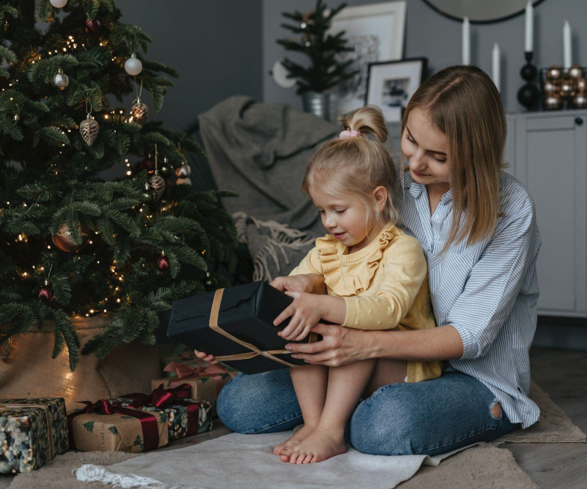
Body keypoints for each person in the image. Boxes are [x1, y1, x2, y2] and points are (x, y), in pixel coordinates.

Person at [200, 65, 542, 457]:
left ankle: (349, 418)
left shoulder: (511, 210)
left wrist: (363, 345)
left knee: (384, 425)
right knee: (241, 402)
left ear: (475, 155)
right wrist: (306, 288)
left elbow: (470, 336)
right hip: (380, 356)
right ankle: (332, 417)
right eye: (411, 140)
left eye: (438, 156)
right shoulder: (389, 184)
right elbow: (338, 256)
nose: (415, 164)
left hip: (471, 376)